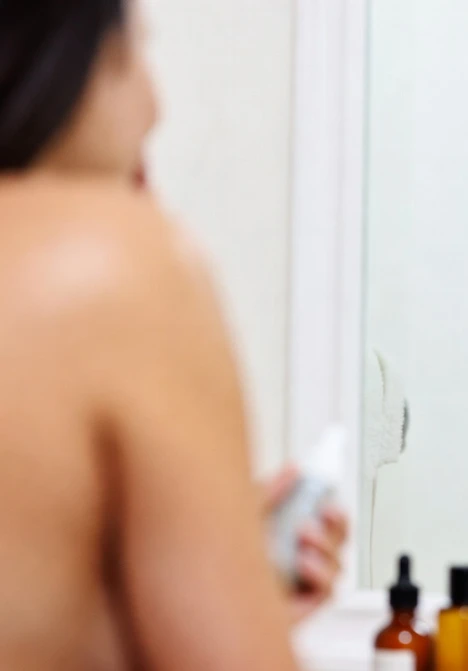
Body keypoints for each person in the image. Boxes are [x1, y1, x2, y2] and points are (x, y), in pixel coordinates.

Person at [0, 1, 345, 668]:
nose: (154, 107)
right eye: (131, 51)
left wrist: (191, 589)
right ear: (60, 53)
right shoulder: (111, 262)